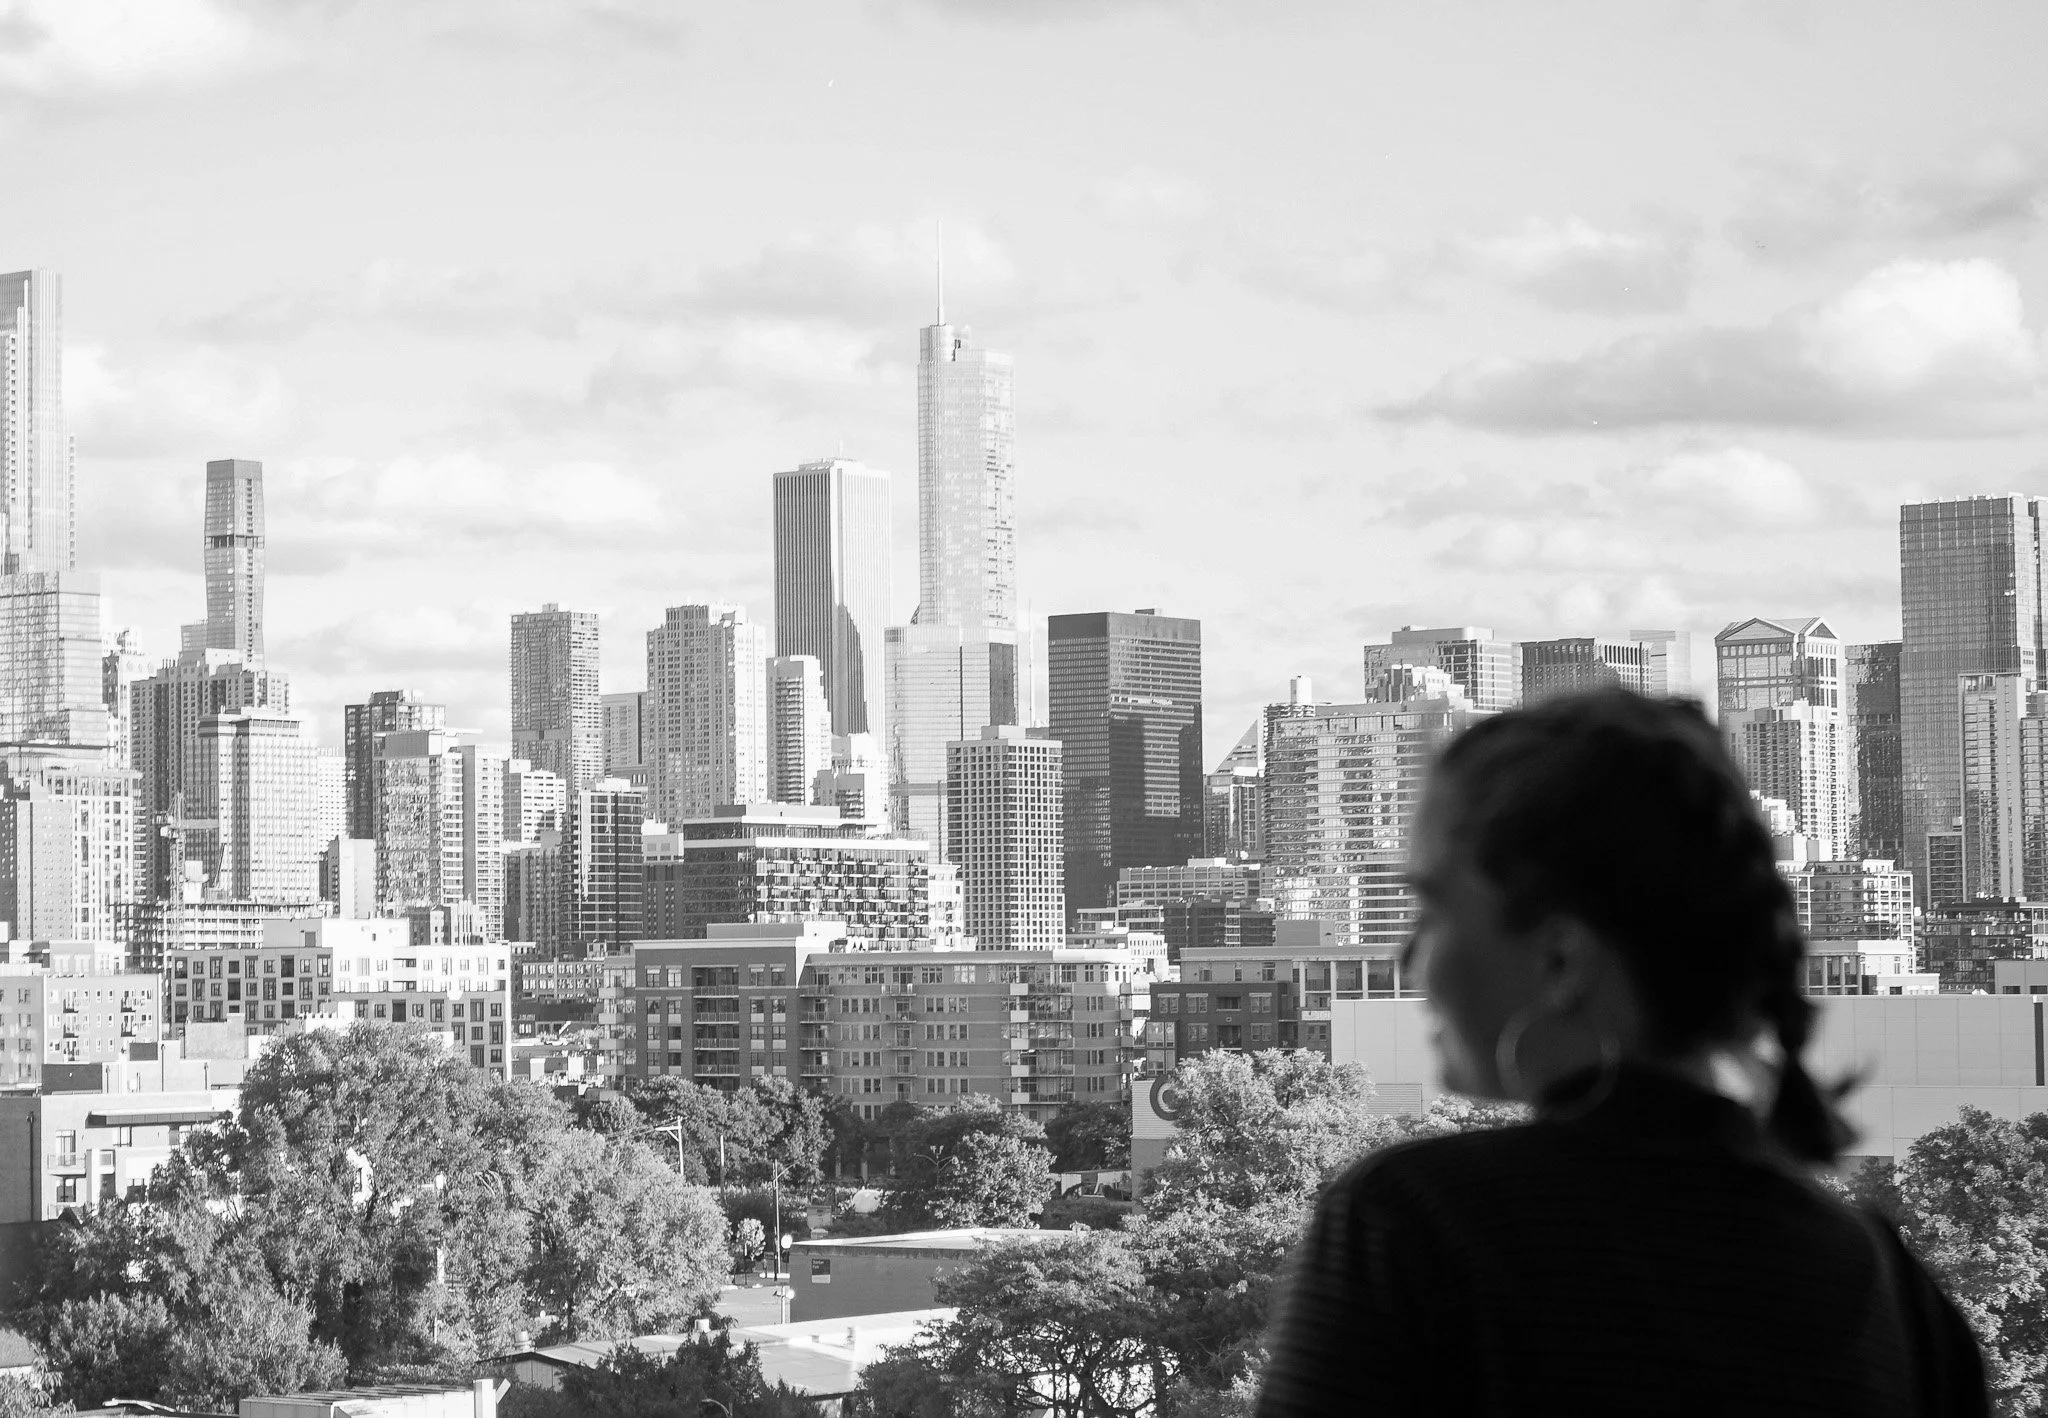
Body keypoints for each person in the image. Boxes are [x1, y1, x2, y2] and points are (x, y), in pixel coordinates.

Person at [1255, 690, 1986, 1417]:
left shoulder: (1413, 1229)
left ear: (1562, 960)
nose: (1408, 957)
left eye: (1435, 908)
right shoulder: (1893, 1296)